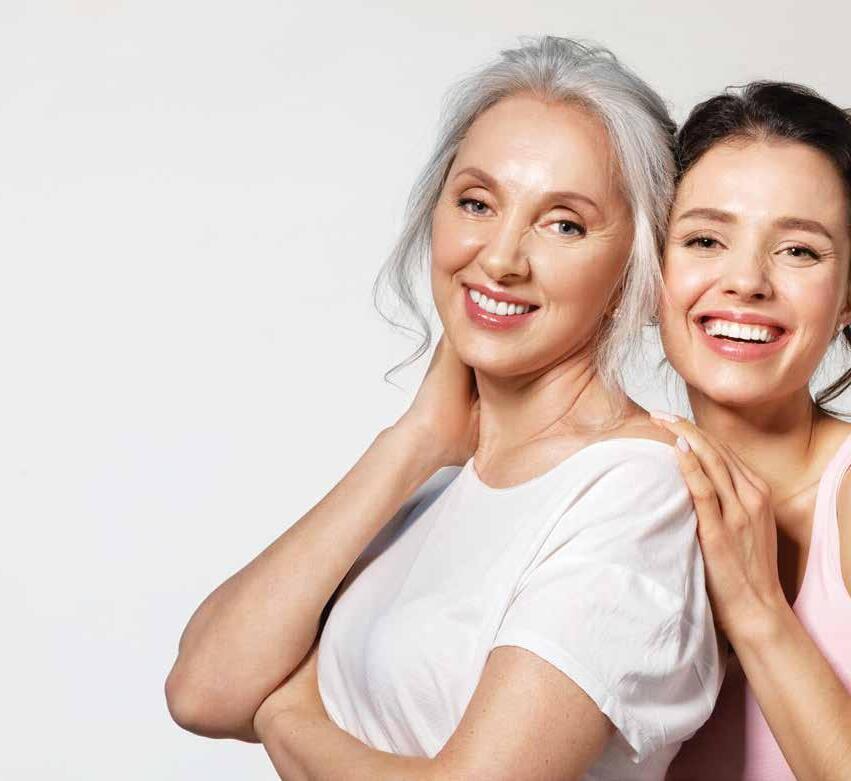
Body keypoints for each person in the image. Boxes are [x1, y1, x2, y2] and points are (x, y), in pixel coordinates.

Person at [165, 36, 723, 780]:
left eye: (563, 223)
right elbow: (201, 690)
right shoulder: (438, 474)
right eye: (476, 203)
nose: (500, 258)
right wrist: (413, 441)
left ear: (636, 264)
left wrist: (284, 714)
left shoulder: (635, 492)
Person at [649, 82, 851, 780]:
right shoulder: (615, 486)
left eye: (799, 251)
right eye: (705, 240)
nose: (746, 281)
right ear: (652, 270)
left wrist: (756, 609)